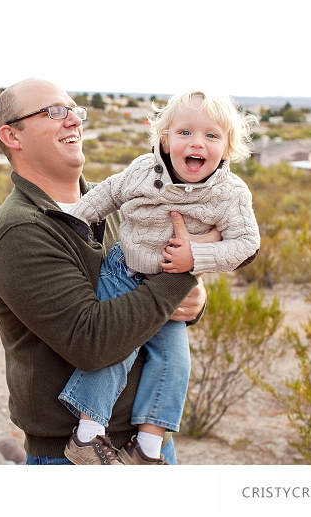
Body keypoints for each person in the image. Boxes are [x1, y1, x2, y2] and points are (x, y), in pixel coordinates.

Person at [0, 78, 214, 465]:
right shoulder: (21, 230)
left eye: (75, 110)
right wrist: (187, 272)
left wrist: (193, 301)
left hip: (146, 446)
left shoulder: (115, 207)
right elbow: (92, 343)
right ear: (13, 136)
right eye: (55, 111)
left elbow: (154, 294)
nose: (73, 120)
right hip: (73, 457)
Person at [58, 90, 260, 464]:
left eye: (212, 136)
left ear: (228, 148)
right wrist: (74, 218)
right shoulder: (142, 171)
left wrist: (196, 255)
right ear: (164, 138)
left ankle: (147, 448)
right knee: (120, 347)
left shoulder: (230, 194)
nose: (197, 142)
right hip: (126, 273)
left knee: (175, 362)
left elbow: (247, 243)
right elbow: (109, 193)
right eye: (185, 132)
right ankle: (87, 435)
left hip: (168, 288)